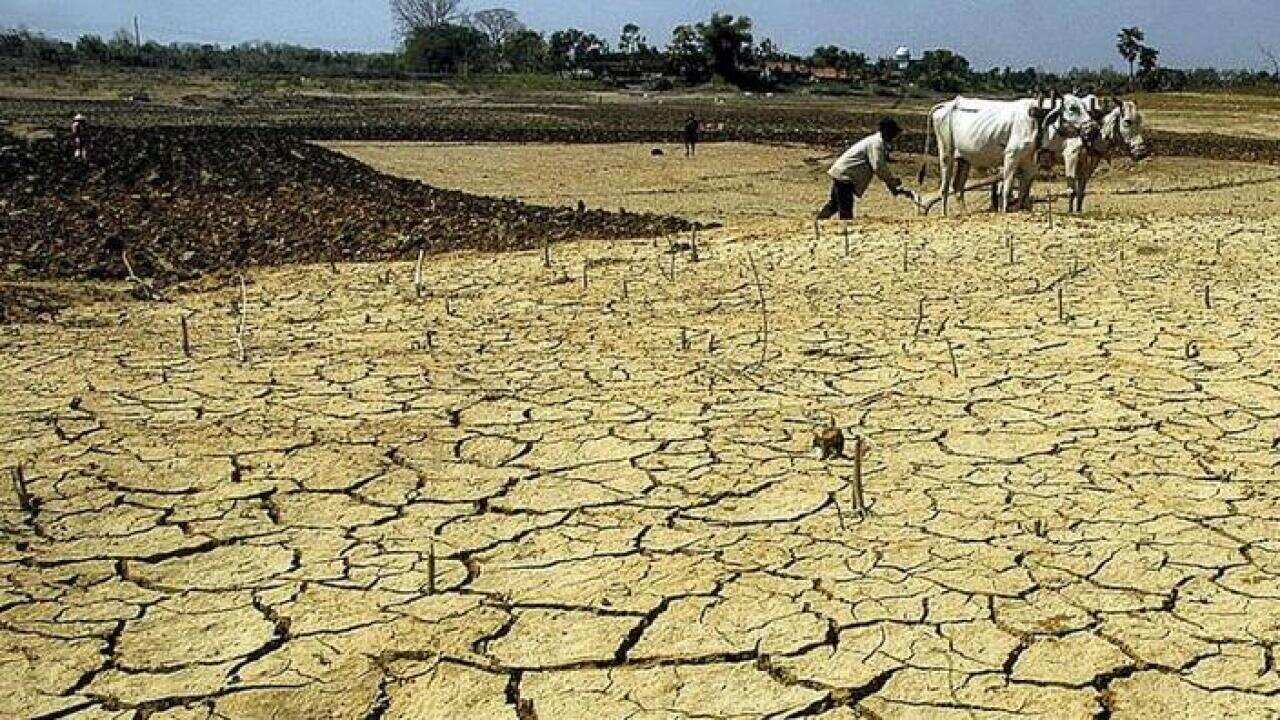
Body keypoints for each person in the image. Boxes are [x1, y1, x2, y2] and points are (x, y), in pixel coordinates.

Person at [818, 117, 910, 220]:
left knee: (834, 204)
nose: (894, 136)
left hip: (842, 172)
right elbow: (879, 166)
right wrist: (892, 182)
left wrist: (893, 188)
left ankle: (819, 221)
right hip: (846, 175)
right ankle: (841, 227)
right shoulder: (876, 143)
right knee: (845, 208)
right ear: (887, 131)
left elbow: (880, 168)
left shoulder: (877, 142)